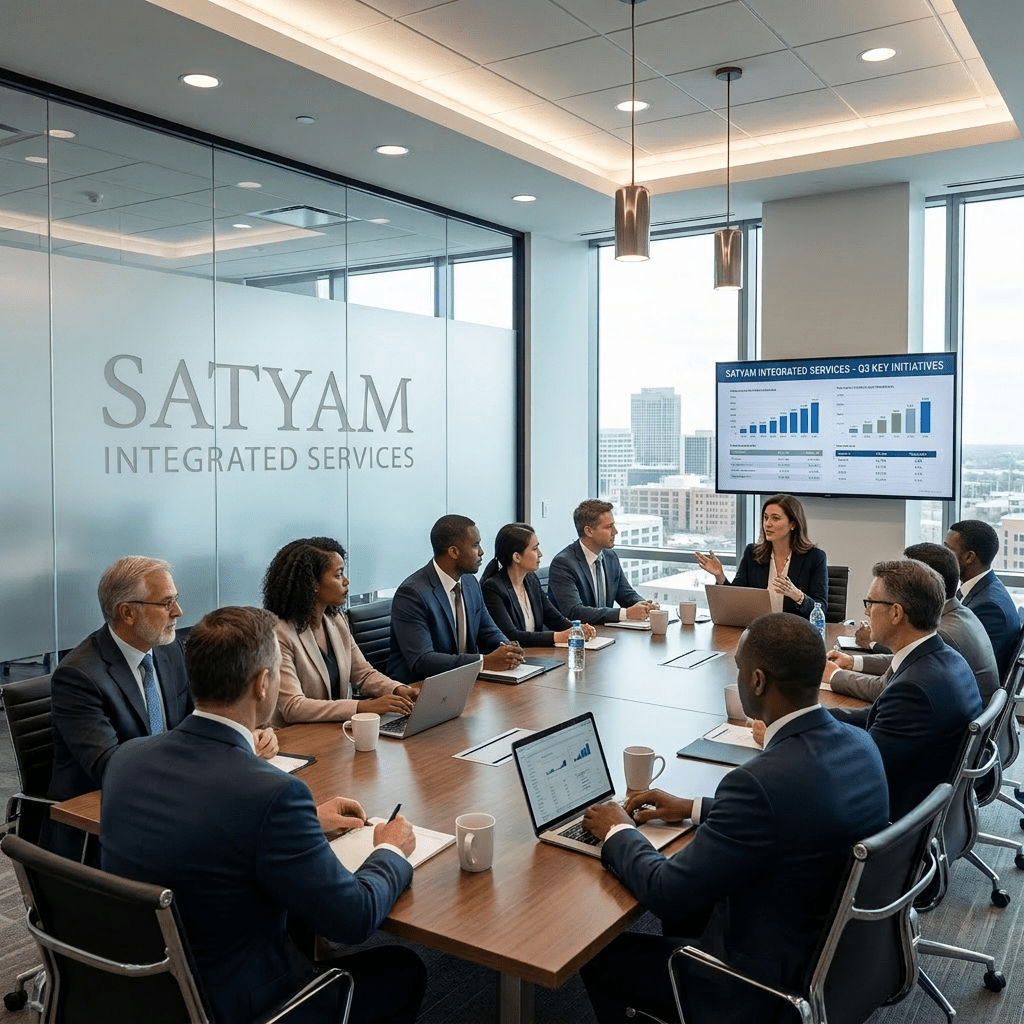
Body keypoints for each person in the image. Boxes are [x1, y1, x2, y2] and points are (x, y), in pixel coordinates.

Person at [100, 606, 426, 1024]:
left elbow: (209, 830)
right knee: (404, 968)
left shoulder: (126, 759)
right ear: (262, 684)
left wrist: (307, 820)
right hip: (239, 1006)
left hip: (142, 988)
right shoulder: (272, 794)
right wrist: (391, 852)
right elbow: (352, 920)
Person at [578, 614, 889, 1024]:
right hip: (841, 957)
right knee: (693, 908)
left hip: (760, 982)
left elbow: (666, 890)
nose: (738, 676)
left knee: (601, 956)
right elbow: (800, 815)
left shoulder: (757, 784)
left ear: (758, 681)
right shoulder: (860, 743)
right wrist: (693, 808)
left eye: (739, 668)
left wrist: (617, 828)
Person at [832, 559, 982, 819]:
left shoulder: (915, 688)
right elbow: (876, 717)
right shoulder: (943, 657)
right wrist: (813, 719)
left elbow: (864, 769)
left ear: (896, 613)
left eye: (870, 603)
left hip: (899, 820)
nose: (866, 613)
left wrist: (800, 741)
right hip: (931, 802)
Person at [262, 537, 417, 725]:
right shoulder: (279, 634)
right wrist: (362, 707)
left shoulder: (335, 619)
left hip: (337, 731)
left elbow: (363, 674)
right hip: (297, 738)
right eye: (338, 575)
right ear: (313, 584)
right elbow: (294, 707)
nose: (346, 581)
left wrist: (397, 689)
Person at [826, 542, 999, 703]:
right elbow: (904, 663)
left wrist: (834, 675)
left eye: (906, 572)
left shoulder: (944, 633)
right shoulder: (957, 613)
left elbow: (887, 689)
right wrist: (852, 662)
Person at [387, 514, 525, 684]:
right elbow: (422, 660)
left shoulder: (469, 582)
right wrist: (485, 662)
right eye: (475, 545)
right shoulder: (412, 594)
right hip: (419, 689)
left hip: (463, 682)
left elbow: (488, 630)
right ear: (453, 551)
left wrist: (507, 648)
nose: (482, 552)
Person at [694, 493, 827, 619]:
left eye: (775, 518)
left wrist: (797, 595)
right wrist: (720, 576)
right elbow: (736, 599)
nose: (768, 524)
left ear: (793, 524)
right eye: (765, 517)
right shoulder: (752, 553)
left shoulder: (815, 557)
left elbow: (821, 609)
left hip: (794, 633)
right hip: (758, 630)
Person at [481, 523, 597, 646]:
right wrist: (558, 636)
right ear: (517, 557)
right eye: (535, 549)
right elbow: (511, 635)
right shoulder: (493, 588)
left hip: (534, 656)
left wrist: (577, 628)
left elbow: (553, 618)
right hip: (511, 659)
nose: (540, 554)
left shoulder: (531, 580)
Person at [547, 499, 658, 625]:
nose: (615, 532)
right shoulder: (563, 564)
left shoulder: (610, 557)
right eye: (609, 527)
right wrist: (626, 614)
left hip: (605, 634)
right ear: (589, 531)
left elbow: (626, 595)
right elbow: (574, 612)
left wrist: (645, 606)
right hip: (575, 639)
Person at [945, 519, 1023, 677]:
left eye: (948, 551)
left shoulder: (989, 607)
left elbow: (963, 666)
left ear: (969, 557)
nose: (943, 557)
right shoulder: (981, 590)